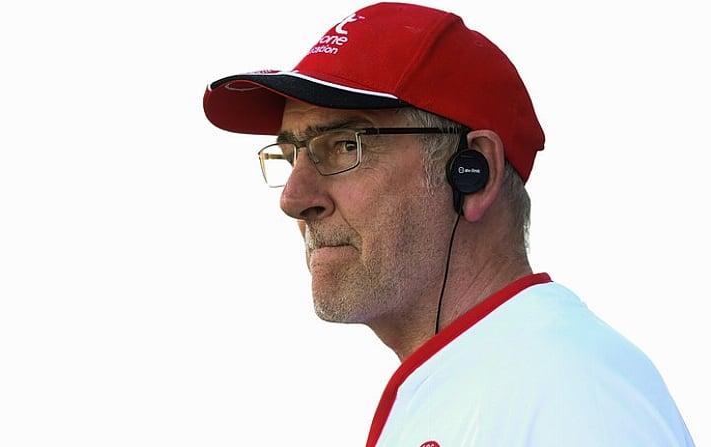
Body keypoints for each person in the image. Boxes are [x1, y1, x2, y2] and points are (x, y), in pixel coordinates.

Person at [201, 2, 695, 446]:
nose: (293, 199)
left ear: (472, 174)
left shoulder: (573, 392)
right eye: (290, 156)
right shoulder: (478, 383)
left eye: (347, 144)